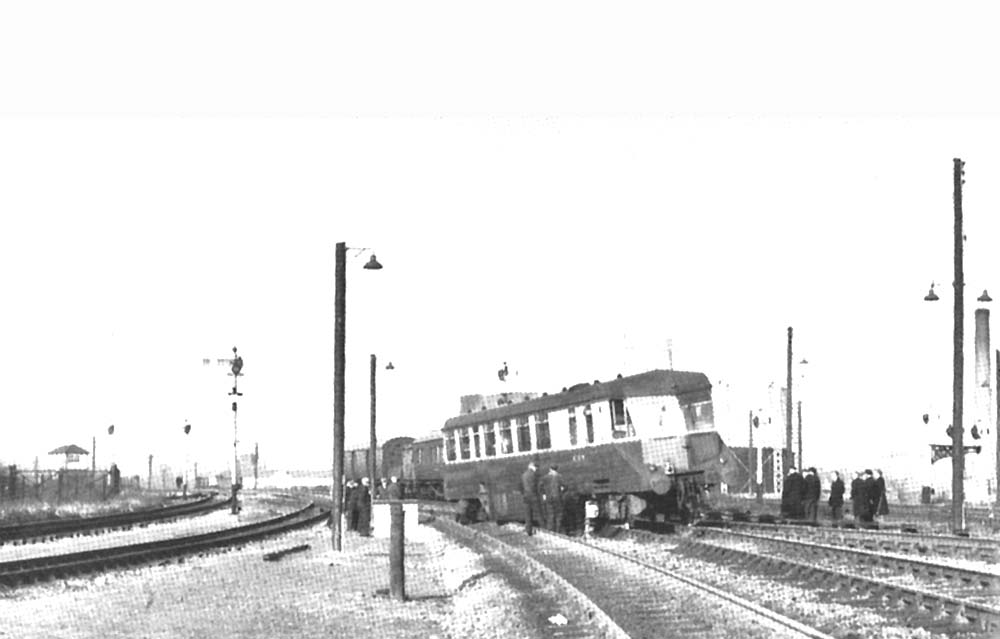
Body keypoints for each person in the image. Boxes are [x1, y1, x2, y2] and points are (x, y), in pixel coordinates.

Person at [540, 466, 565, 533]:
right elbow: (564, 486)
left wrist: (544, 494)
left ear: (550, 469)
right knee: (558, 514)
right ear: (557, 469)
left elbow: (540, 487)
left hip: (549, 498)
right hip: (558, 498)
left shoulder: (545, 477)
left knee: (550, 514)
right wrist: (561, 491)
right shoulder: (559, 477)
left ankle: (550, 530)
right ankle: (558, 530)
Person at [520, 459, 540, 535]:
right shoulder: (534, 474)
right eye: (536, 467)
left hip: (526, 496)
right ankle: (545, 528)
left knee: (528, 514)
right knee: (539, 513)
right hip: (533, 496)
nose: (536, 469)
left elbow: (521, 486)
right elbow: (536, 485)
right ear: (532, 467)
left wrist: (524, 493)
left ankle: (529, 530)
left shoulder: (524, 475)